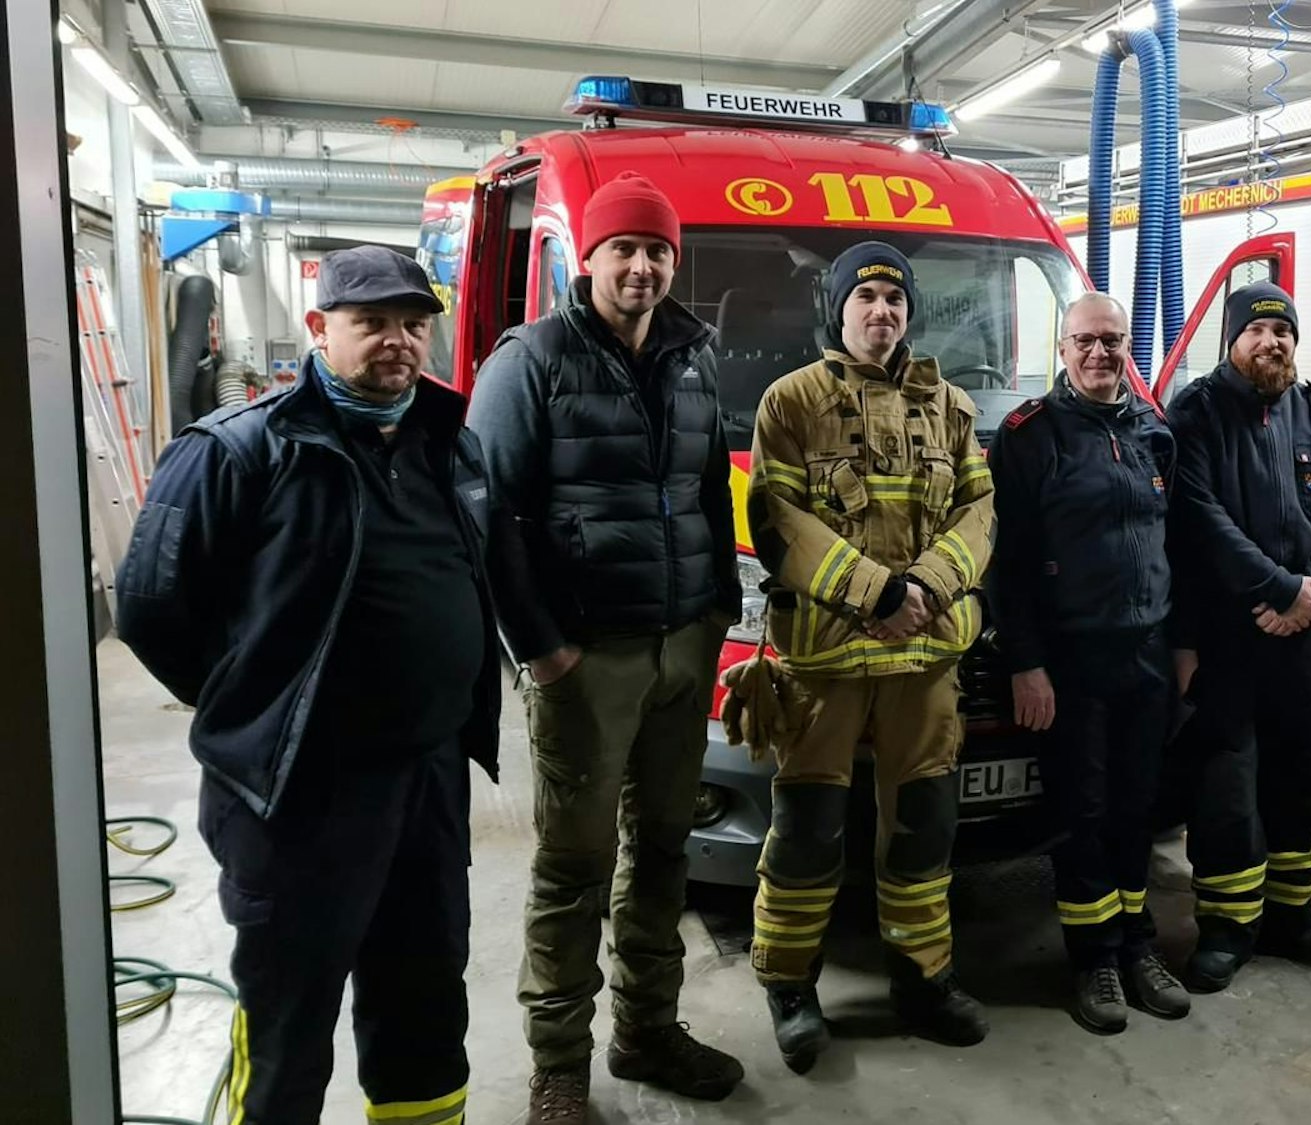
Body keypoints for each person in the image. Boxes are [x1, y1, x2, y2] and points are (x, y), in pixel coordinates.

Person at [117, 246, 499, 1125]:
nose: (398, 342)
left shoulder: (450, 439)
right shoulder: (236, 451)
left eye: (412, 323)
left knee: (425, 1004)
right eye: (372, 323)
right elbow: (149, 608)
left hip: (426, 780)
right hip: (297, 793)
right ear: (321, 330)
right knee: (290, 1020)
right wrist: (256, 700)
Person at [465, 171, 744, 1121]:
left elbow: (711, 491)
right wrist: (539, 646)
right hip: (586, 656)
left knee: (664, 847)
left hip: (681, 646)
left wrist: (716, 608)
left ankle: (647, 1029)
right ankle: (558, 1068)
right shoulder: (531, 359)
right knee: (574, 866)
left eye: (657, 250)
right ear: (587, 257)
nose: (641, 265)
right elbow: (489, 512)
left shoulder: (696, 358)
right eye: (623, 248)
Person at [745, 241, 994, 1072]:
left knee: (924, 830)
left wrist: (924, 585)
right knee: (809, 831)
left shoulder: (953, 407)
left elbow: (978, 510)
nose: (881, 311)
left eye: (895, 297)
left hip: (925, 665)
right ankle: (789, 986)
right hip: (823, 667)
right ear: (837, 309)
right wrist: (875, 593)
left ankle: (923, 981)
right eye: (866, 297)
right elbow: (774, 513)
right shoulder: (791, 401)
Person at [987, 292, 1191, 1034]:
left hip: (1146, 651)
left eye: (1112, 341)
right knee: (1084, 812)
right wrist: (1026, 663)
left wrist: (1182, 645)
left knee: (1138, 807)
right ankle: (1095, 959)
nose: (1099, 354)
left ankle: (1138, 943)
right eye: (1086, 341)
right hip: (1071, 660)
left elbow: (1178, 545)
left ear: (1127, 347)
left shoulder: (1153, 430)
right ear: (1063, 348)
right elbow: (1005, 566)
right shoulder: (1028, 436)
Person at [1163, 280, 1311, 992]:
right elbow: (1198, 519)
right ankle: (1225, 928)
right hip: (1227, 635)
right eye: (1257, 331)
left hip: (1302, 634)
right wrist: (1279, 589)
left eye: (1283, 331)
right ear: (1233, 340)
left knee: (1304, 771)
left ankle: (1290, 916)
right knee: (1227, 784)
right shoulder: (1195, 413)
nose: (1272, 342)